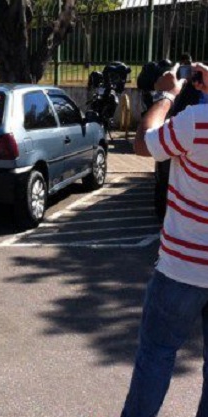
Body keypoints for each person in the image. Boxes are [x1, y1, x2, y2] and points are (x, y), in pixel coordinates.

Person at [121, 62, 208, 417]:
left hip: (180, 271)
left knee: (156, 355)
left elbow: (144, 143)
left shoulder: (196, 122)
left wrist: (166, 95)